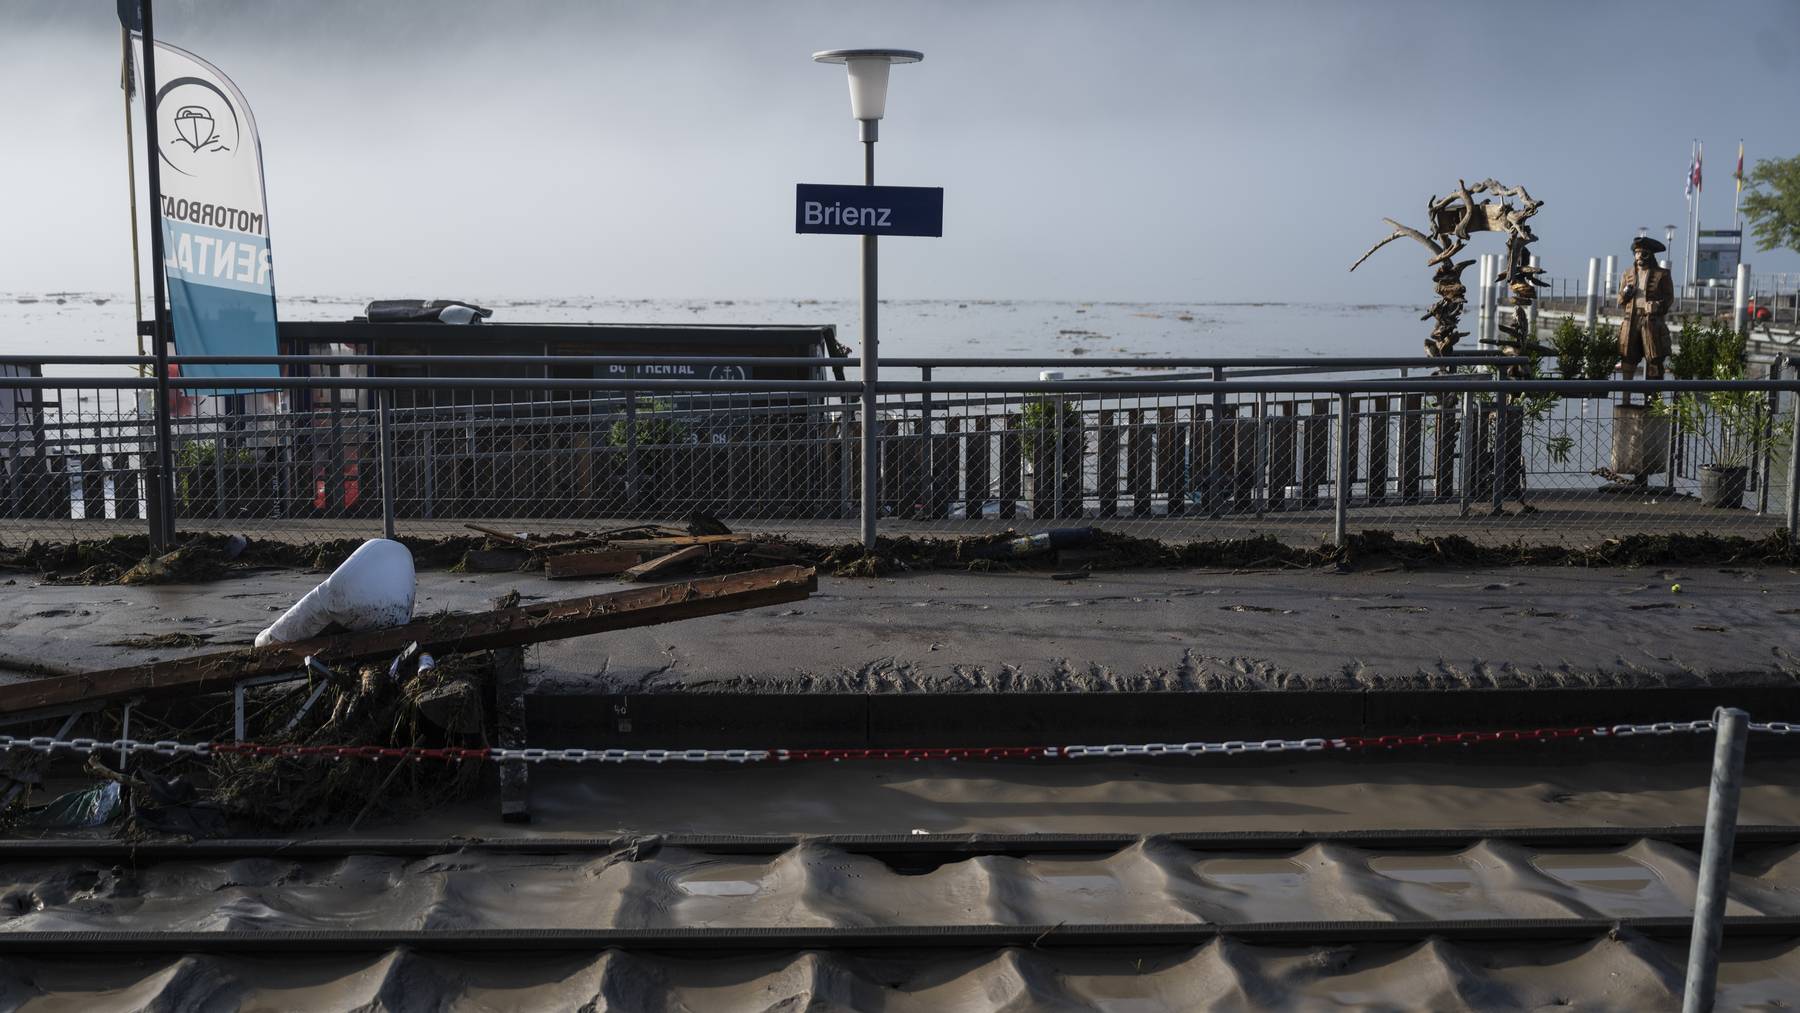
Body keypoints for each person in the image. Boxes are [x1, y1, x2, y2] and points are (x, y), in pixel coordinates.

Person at [1617, 236, 1673, 403]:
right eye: (1637, 253)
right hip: (1631, 321)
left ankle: (1652, 400)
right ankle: (1625, 398)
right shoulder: (1627, 274)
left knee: (1654, 359)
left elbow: (1669, 299)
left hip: (1651, 324)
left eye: (1643, 253)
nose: (1639, 256)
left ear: (1650, 255)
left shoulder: (1662, 274)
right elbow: (1619, 300)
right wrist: (1626, 294)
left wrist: (1657, 305)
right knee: (1628, 358)